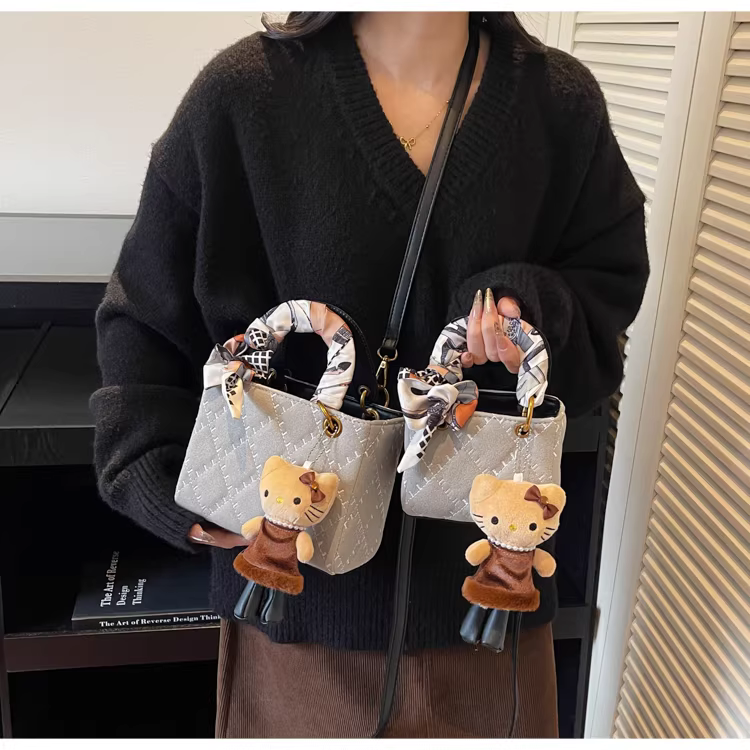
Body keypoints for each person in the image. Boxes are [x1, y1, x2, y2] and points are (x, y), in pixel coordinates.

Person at [91, 11, 649, 739]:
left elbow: (608, 290)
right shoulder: (243, 98)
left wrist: (530, 308)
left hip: (492, 616)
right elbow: (142, 320)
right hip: (295, 619)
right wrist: (173, 487)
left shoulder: (559, 107)